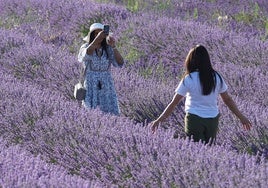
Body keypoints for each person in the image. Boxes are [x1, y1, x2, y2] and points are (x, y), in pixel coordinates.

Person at [150, 45, 252, 144]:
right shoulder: (216, 77)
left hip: (194, 119)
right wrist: (241, 117)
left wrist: (159, 120)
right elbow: (228, 100)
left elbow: (174, 103)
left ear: (190, 61)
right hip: (212, 120)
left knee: (196, 149)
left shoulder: (189, 78)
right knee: (209, 150)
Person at [78, 23, 124, 115]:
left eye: (101, 34)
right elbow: (87, 53)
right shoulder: (86, 47)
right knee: (91, 112)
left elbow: (120, 62)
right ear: (91, 35)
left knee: (109, 112)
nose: (99, 36)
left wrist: (113, 46)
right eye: (96, 33)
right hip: (91, 84)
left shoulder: (107, 49)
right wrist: (97, 39)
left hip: (106, 84)